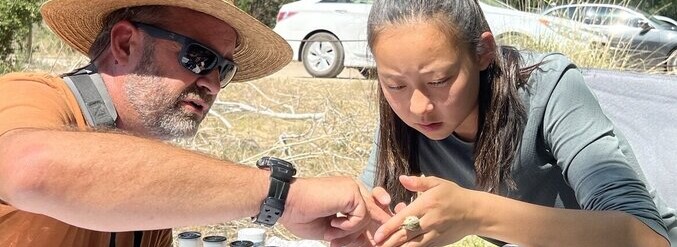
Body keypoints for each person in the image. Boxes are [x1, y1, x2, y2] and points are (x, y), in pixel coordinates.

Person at [0, 0, 381, 246]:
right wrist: (282, 196)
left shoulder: (146, 185)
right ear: (125, 44)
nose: (212, 83)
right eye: (198, 57)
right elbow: (31, 167)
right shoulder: (31, 96)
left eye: (224, 69)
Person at [359, 0, 676, 246]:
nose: (419, 107)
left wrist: (474, 212)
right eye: (395, 85)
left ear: (483, 51)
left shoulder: (548, 88)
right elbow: (372, 206)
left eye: (440, 80)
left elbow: (647, 238)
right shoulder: (403, 119)